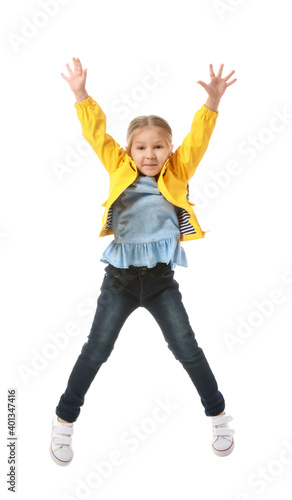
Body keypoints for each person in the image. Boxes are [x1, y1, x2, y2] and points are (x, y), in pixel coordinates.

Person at [50, 58, 237, 466]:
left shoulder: (179, 170)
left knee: (186, 347)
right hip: (118, 280)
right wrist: (81, 94)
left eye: (158, 147)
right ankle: (64, 420)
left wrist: (213, 103)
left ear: (169, 149)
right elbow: (96, 134)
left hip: (160, 281)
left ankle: (219, 416)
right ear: (130, 150)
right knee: (97, 349)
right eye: (141, 147)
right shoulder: (119, 166)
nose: (149, 155)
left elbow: (199, 138)